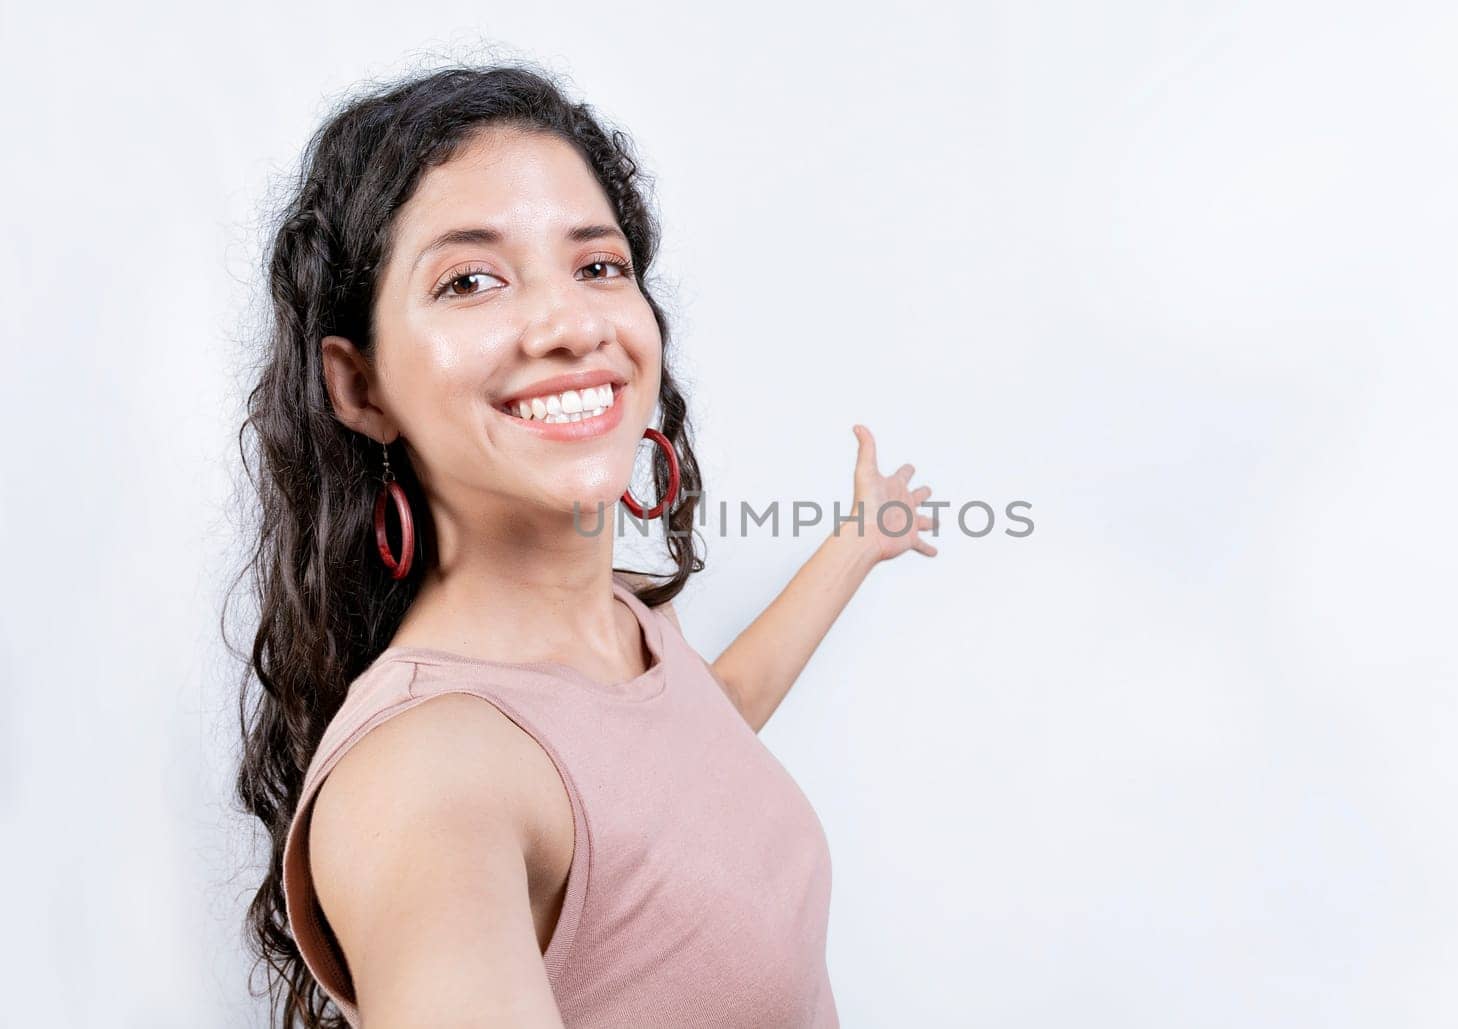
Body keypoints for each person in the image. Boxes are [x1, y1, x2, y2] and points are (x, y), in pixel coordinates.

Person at [230, 61, 938, 1028]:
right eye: (470, 279)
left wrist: (856, 546)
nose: (569, 322)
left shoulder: (624, 620)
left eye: (598, 265)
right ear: (361, 388)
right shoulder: (427, 779)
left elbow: (693, 732)